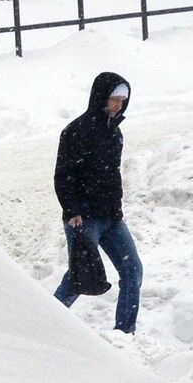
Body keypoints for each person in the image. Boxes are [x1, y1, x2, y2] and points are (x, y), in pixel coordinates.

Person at [53, 72, 142, 333]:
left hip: (111, 218)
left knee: (132, 270)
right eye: (114, 99)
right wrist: (72, 210)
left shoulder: (115, 133)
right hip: (83, 218)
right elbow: (63, 174)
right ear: (100, 96)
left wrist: (116, 207)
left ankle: (125, 332)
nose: (118, 105)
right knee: (79, 276)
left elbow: (112, 174)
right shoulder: (76, 131)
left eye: (123, 101)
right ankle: (45, 321)